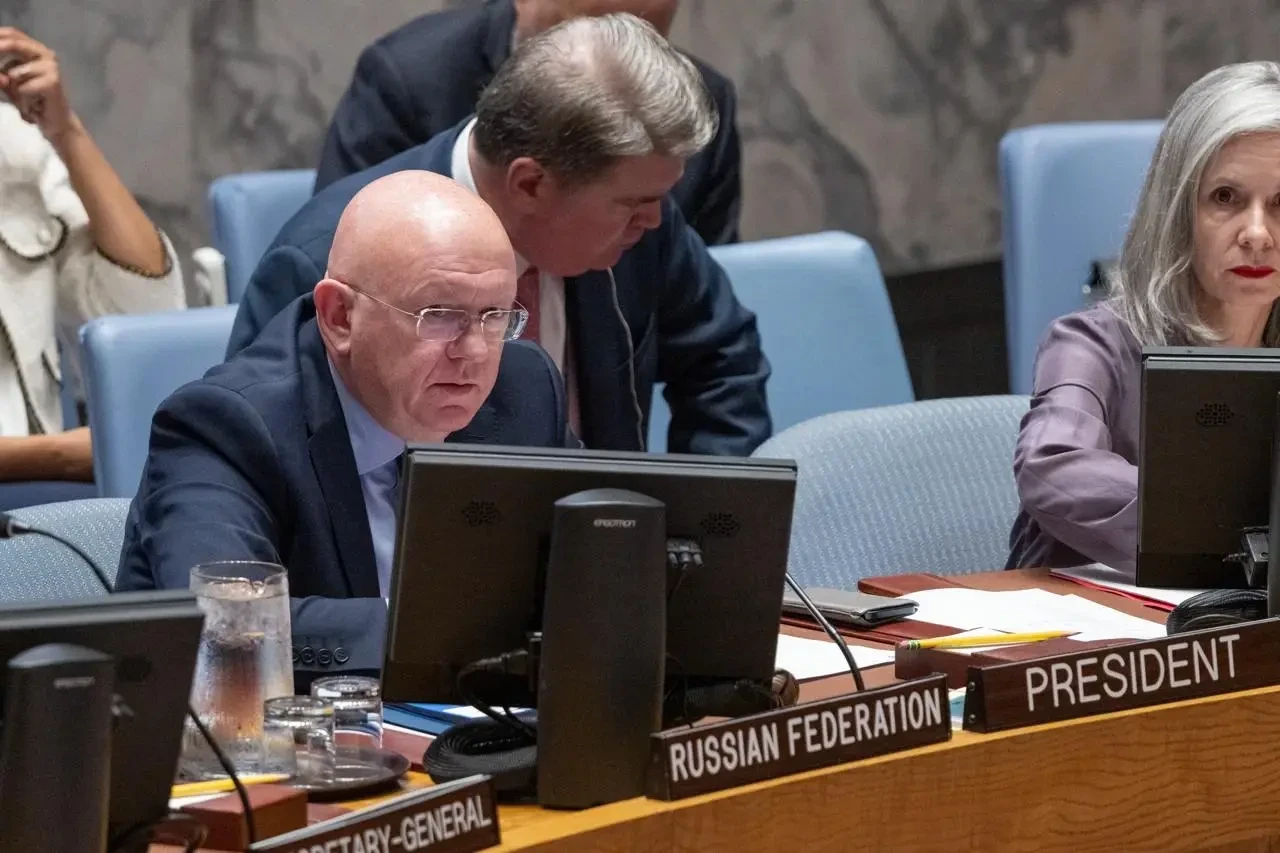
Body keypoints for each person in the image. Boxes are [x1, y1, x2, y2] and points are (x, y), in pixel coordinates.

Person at [229, 13, 770, 457]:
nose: (652, 219)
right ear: (530, 183)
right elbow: (257, 462)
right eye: (633, 205)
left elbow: (724, 361)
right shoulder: (324, 264)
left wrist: (702, 526)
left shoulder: (639, 217)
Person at [115, 171, 570, 681]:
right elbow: (227, 622)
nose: (475, 352)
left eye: (495, 315)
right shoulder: (225, 427)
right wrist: (465, 629)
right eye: (440, 315)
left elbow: (593, 574)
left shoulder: (523, 391)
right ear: (339, 317)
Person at [1009, 61, 1280, 577]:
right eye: (1225, 198)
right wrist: (1243, 524)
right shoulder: (1091, 343)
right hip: (1088, 623)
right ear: (1178, 212)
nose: (1257, 234)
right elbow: (1051, 466)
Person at [315, 0, 742, 248]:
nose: (625, 70)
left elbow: (707, 314)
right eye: (593, 42)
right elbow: (345, 251)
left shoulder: (700, 102)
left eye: (647, 44)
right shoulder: (409, 77)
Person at [0, 28, 184, 484]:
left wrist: (66, 132)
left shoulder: (13, 145)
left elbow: (144, 321)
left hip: (42, 507)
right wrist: (61, 456)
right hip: (45, 487)